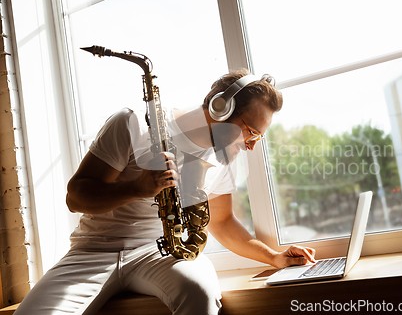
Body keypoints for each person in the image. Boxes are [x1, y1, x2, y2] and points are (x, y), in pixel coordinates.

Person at [14, 68, 316, 315]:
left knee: (201, 295)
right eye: (251, 132)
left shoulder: (225, 154)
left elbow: (222, 222)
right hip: (92, 251)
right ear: (220, 108)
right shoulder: (133, 123)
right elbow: (75, 196)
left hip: (161, 252)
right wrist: (137, 188)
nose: (251, 145)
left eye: (259, 138)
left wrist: (274, 257)